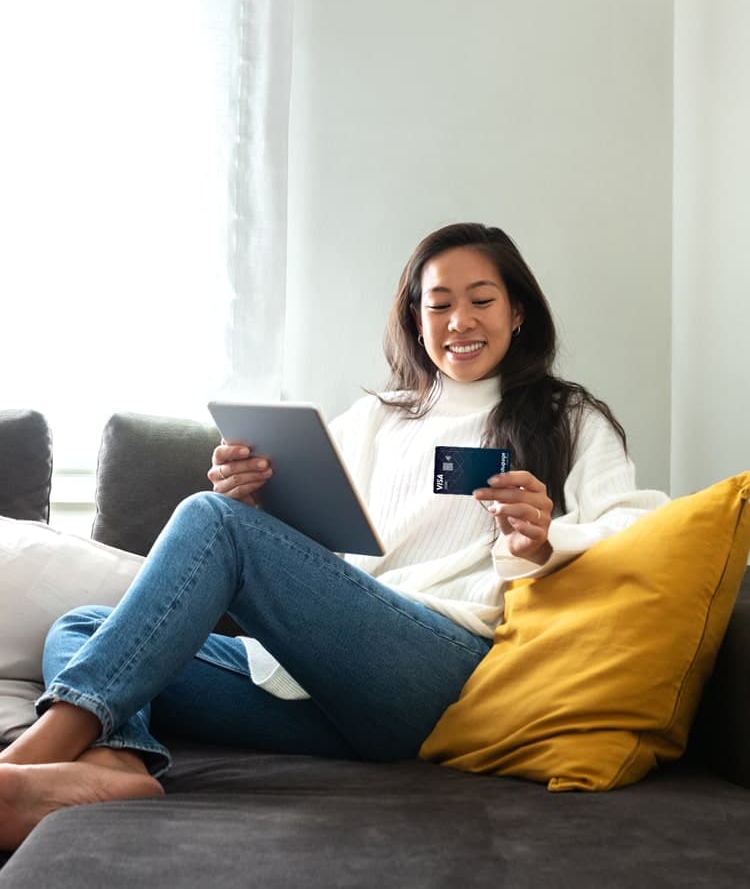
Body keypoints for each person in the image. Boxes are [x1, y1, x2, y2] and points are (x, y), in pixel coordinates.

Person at [0, 222, 668, 850]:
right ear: (415, 320)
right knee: (84, 626)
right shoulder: (377, 419)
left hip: (433, 668)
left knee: (210, 518)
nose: (459, 321)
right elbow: (309, 559)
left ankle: (28, 757)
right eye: (437, 305)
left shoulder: (567, 417)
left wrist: (547, 538)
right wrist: (255, 501)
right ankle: (121, 763)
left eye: (480, 300)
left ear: (516, 311)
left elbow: (640, 524)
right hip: (320, 686)